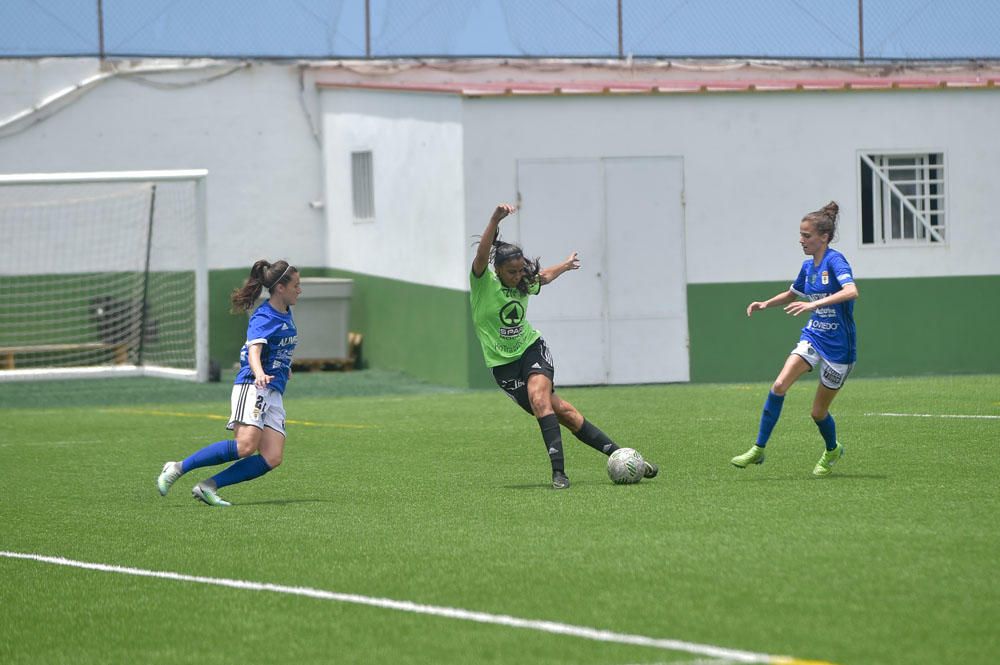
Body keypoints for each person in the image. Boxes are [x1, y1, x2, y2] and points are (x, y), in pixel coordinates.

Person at [471, 203, 658, 489]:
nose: (519, 276)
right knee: (565, 414)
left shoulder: (524, 282)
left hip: (531, 348)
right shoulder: (484, 283)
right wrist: (495, 218)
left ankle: (558, 473)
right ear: (497, 270)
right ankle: (624, 456)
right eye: (512, 272)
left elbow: (542, 276)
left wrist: (566, 265)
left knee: (539, 398)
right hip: (503, 367)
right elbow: (482, 252)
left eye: (522, 270)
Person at [156, 259, 300, 506]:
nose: (300, 289)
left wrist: (283, 368)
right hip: (253, 386)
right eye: (296, 285)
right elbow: (254, 350)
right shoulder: (264, 316)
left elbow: (277, 347)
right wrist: (259, 373)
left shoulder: (286, 313)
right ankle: (178, 467)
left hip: (273, 391)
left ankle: (207, 487)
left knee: (272, 456)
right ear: (280, 288)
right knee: (245, 446)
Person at [731, 201, 858, 477]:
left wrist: (812, 306)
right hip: (814, 336)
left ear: (823, 237)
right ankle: (758, 449)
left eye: (807, 235)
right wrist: (765, 303)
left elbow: (851, 291)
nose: (801, 240)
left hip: (840, 348)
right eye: (800, 235)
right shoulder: (807, 266)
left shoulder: (835, 260)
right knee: (779, 385)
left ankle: (832, 449)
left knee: (817, 413)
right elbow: (792, 294)